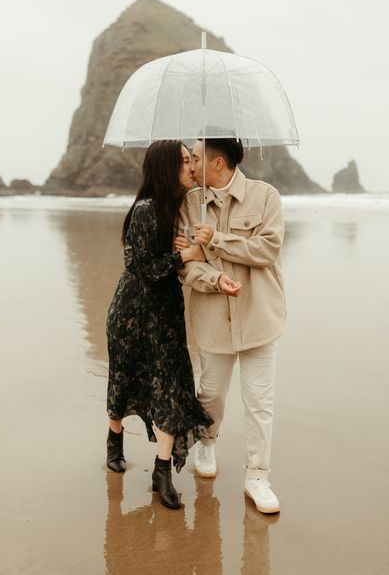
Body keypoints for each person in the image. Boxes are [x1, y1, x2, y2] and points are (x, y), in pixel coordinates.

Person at [105, 140, 236, 510]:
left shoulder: (184, 207)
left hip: (164, 313)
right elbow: (142, 268)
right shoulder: (145, 210)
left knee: (171, 388)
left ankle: (161, 471)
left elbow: (189, 256)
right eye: (183, 161)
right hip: (132, 313)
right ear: (165, 168)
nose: (191, 167)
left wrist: (198, 248)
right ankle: (114, 439)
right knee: (125, 379)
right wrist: (185, 254)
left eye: (191, 160)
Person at [176, 138, 286, 514]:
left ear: (218, 162)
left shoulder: (265, 196)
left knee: (260, 403)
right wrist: (214, 278)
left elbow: (268, 249)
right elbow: (185, 263)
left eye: (195, 157)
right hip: (211, 316)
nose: (190, 164)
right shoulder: (189, 204)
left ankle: (258, 476)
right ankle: (207, 442)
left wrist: (216, 241)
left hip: (259, 315)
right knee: (210, 393)